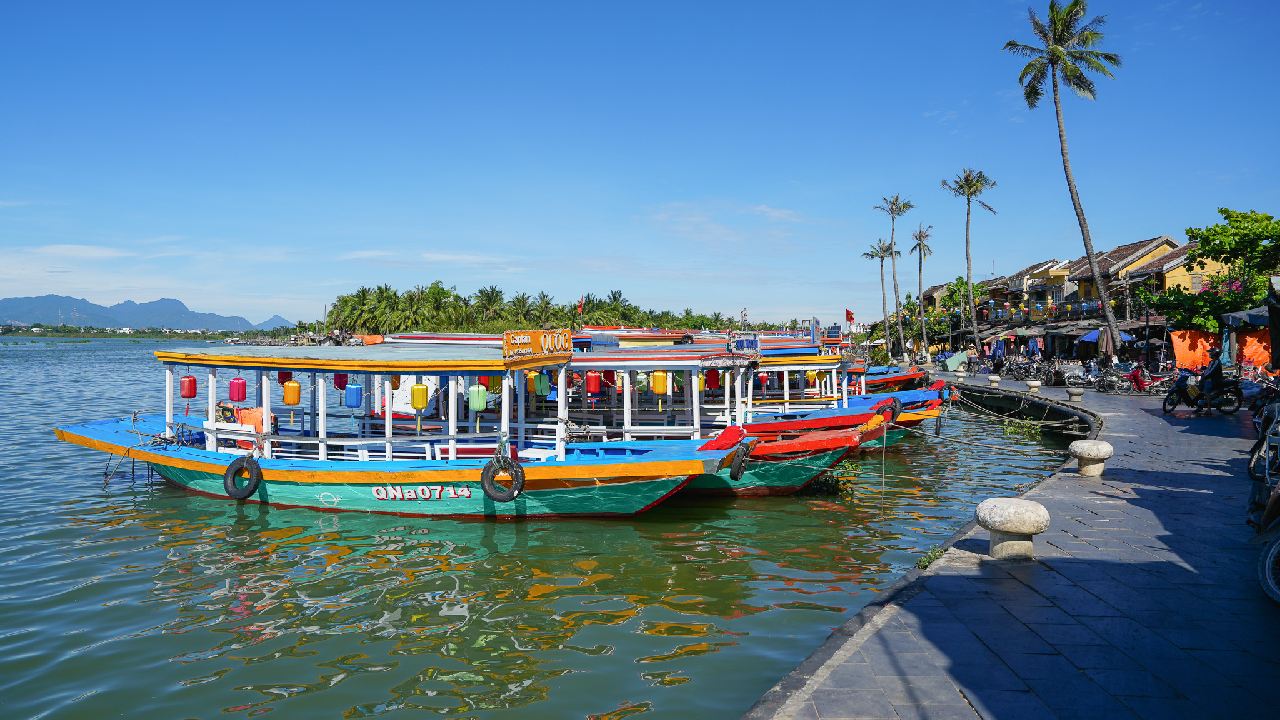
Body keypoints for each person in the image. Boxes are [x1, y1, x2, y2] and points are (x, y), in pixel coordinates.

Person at [1196, 348, 1225, 413]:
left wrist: (1205, 376)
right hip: (1210, 379)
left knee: (1206, 391)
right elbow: (1208, 369)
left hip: (1214, 380)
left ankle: (1209, 409)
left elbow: (1211, 371)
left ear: (1214, 354)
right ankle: (1200, 406)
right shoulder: (1212, 361)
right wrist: (1202, 371)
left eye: (1211, 353)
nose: (1209, 354)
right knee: (1199, 389)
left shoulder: (1217, 362)